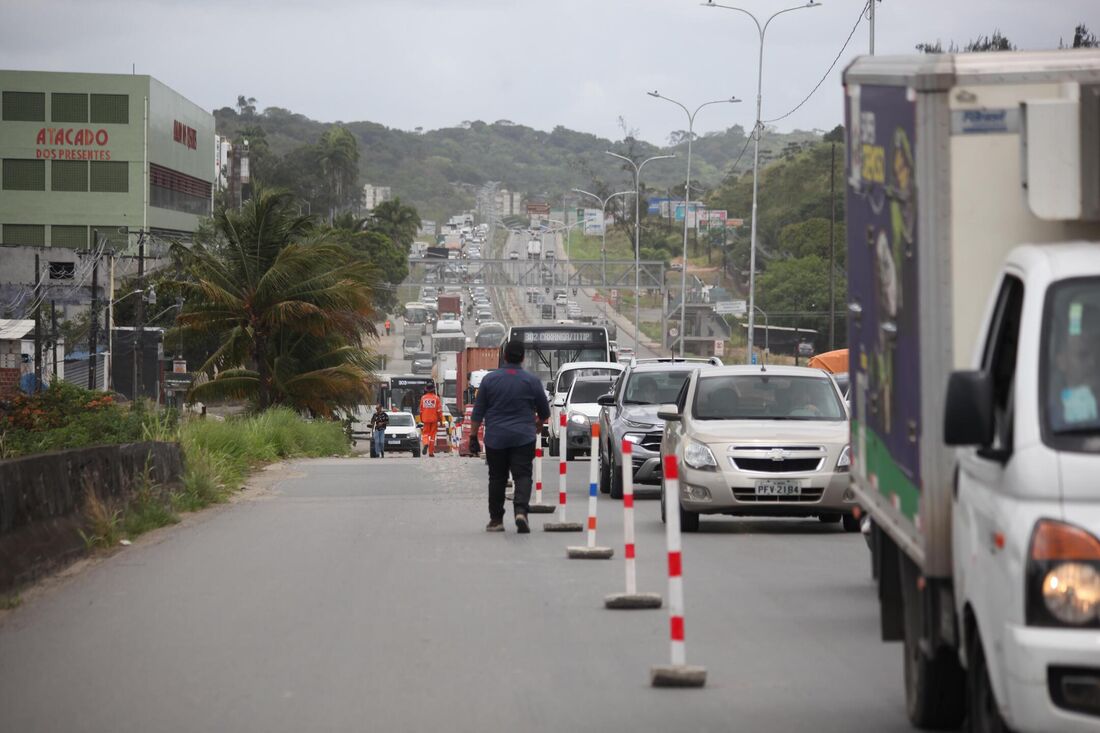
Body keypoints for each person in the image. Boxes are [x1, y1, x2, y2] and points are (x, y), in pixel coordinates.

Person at [469, 338, 551, 533]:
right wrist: (538, 425)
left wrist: (473, 437)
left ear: (504, 356)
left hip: (496, 438)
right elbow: (545, 412)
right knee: (523, 475)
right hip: (524, 437)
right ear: (522, 358)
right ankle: (521, 511)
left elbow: (478, 412)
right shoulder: (532, 381)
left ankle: (496, 519)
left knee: (497, 478)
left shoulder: (489, 380)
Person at [418, 382, 443, 457]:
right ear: (433, 390)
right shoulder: (436, 398)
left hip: (425, 419)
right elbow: (439, 411)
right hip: (434, 419)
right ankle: (431, 452)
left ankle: (426, 444)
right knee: (432, 437)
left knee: (425, 434)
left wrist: (421, 418)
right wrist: (441, 420)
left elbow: (421, 410)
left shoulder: (423, 398)